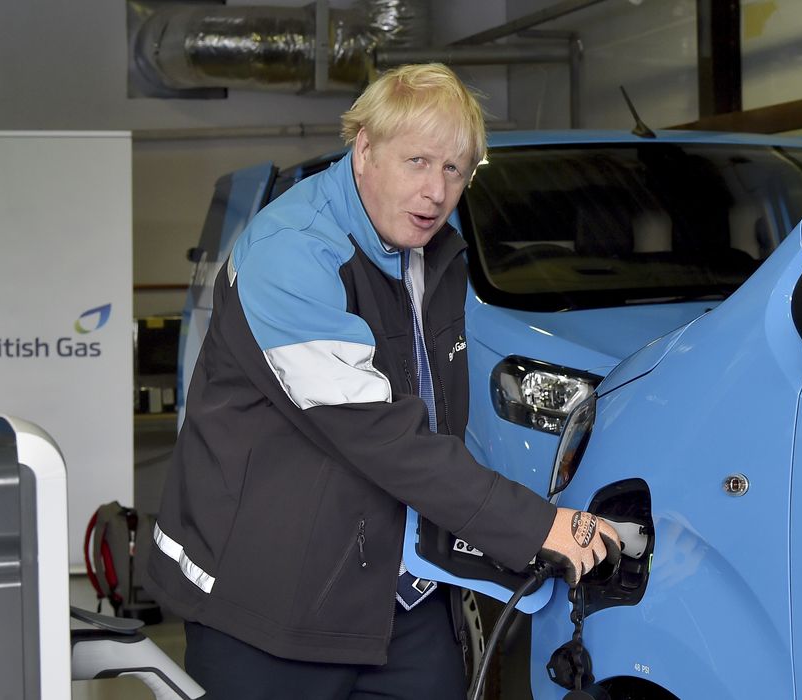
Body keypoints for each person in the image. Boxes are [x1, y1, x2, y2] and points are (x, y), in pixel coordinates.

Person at [145, 63, 619, 700]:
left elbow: (438, 416)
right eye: (418, 161)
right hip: (267, 602)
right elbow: (382, 436)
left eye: (455, 170)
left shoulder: (433, 250)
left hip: (400, 594)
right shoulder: (291, 255)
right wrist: (536, 525)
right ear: (363, 149)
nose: (436, 190)